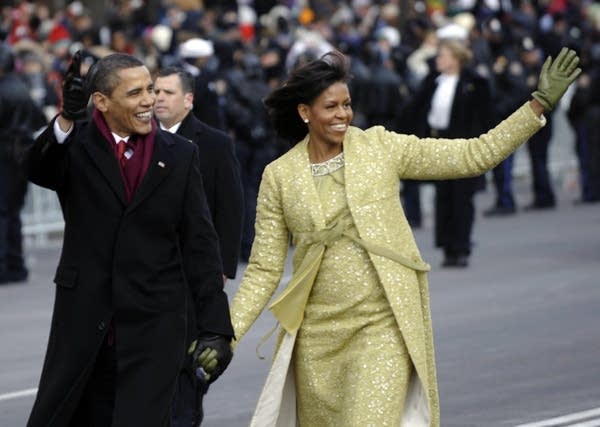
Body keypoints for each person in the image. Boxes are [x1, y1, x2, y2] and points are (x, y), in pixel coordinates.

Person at [228, 48, 580, 426]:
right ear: (304, 112)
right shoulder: (279, 177)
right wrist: (225, 335)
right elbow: (264, 270)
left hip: (383, 325)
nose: (343, 115)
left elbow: (475, 155)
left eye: (347, 105)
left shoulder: (380, 147)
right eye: (331, 107)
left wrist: (537, 106)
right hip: (317, 340)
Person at [23, 51, 234, 427]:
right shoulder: (77, 146)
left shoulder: (181, 154)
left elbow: (201, 244)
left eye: (150, 90)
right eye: (135, 93)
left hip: (155, 326)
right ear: (102, 102)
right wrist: (67, 118)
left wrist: (216, 328)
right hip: (86, 323)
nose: (149, 101)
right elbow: (38, 169)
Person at [153, 65, 244, 426]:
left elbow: (230, 208)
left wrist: (221, 268)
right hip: (153, 270)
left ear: (188, 100)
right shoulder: (139, 140)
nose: (158, 98)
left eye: (167, 92)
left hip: (196, 271)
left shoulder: (215, 143)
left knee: (189, 365)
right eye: (154, 92)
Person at [405, 38, 494, 267]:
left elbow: (485, 116)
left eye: (443, 55)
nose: (438, 59)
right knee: (443, 196)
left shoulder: (474, 82)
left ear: (455, 59)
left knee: (462, 197)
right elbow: (414, 109)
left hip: (463, 146)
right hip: (436, 143)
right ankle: (447, 246)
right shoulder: (433, 81)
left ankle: (462, 247)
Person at [0, 44, 46, 285]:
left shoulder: (4, 90)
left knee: (4, 213)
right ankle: (15, 264)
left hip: (5, 156)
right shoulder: (21, 88)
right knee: (13, 213)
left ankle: (6, 266)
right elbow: (39, 118)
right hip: (21, 155)